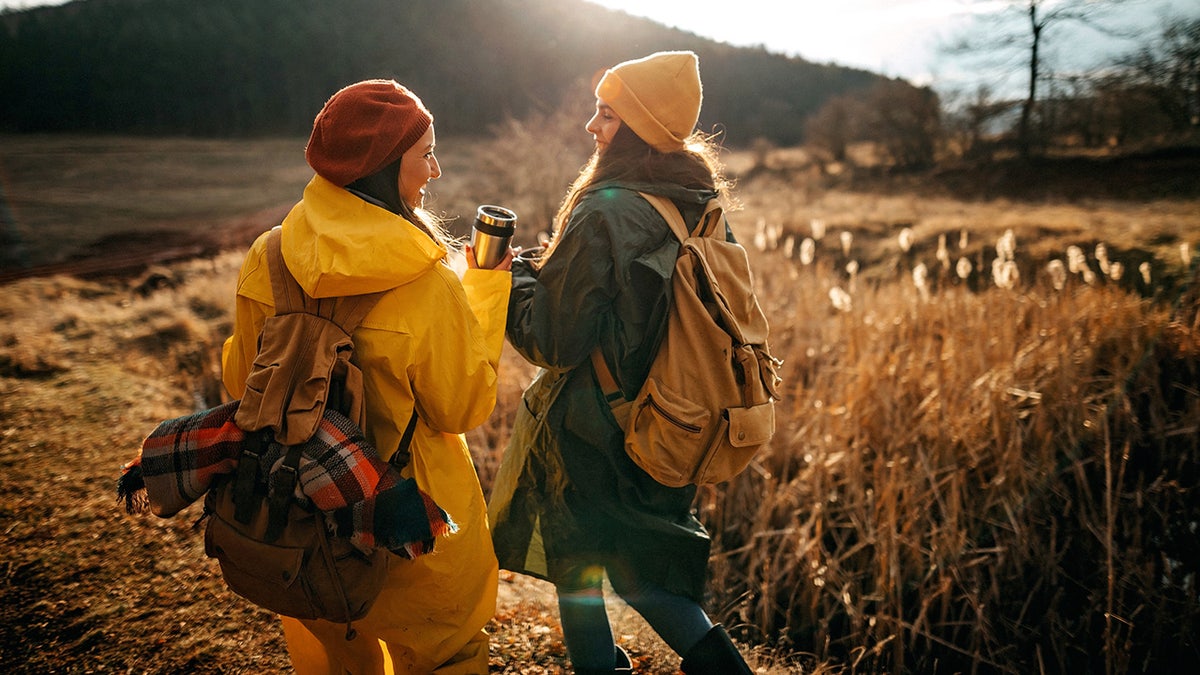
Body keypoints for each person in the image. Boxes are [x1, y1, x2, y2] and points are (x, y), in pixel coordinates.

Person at [221, 79, 513, 675]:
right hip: (409, 519)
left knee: (331, 652)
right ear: (383, 167)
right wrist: (485, 287)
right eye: (426, 153)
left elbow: (238, 380)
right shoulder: (427, 285)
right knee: (446, 655)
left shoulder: (267, 256)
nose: (436, 169)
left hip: (296, 512)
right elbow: (462, 406)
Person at [487, 51, 754, 674]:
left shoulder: (605, 207)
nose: (592, 126)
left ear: (638, 126)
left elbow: (554, 341)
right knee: (641, 572)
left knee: (580, 567)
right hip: (672, 420)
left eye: (606, 113)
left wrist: (511, 278)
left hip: (595, 429)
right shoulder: (697, 202)